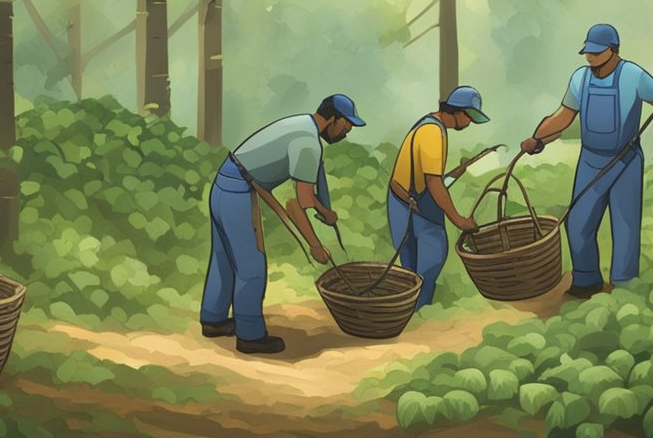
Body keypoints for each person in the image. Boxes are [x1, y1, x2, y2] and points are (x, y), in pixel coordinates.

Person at [520, 24, 653, 299]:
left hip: (625, 161)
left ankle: (626, 285)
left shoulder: (633, 75)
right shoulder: (580, 78)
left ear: (613, 50)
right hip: (591, 160)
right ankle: (587, 279)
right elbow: (563, 116)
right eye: (587, 52)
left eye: (596, 52)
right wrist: (537, 138)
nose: (590, 58)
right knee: (577, 223)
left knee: (625, 225)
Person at [200, 94, 364, 355]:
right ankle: (250, 336)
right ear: (333, 118)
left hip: (224, 183)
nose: (347, 131)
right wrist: (316, 246)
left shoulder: (304, 126)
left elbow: (312, 189)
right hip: (238, 192)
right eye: (346, 125)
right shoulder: (308, 143)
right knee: (251, 265)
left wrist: (325, 211)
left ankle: (213, 319)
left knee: (223, 257)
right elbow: (297, 203)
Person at [388, 86, 488, 310]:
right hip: (415, 206)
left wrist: (457, 172)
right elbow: (433, 183)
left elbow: (431, 179)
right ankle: (420, 314)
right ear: (459, 112)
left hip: (400, 200)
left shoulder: (426, 124)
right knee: (429, 262)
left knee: (411, 270)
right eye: (470, 117)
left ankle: (410, 313)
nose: (470, 123)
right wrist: (459, 220)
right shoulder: (434, 132)